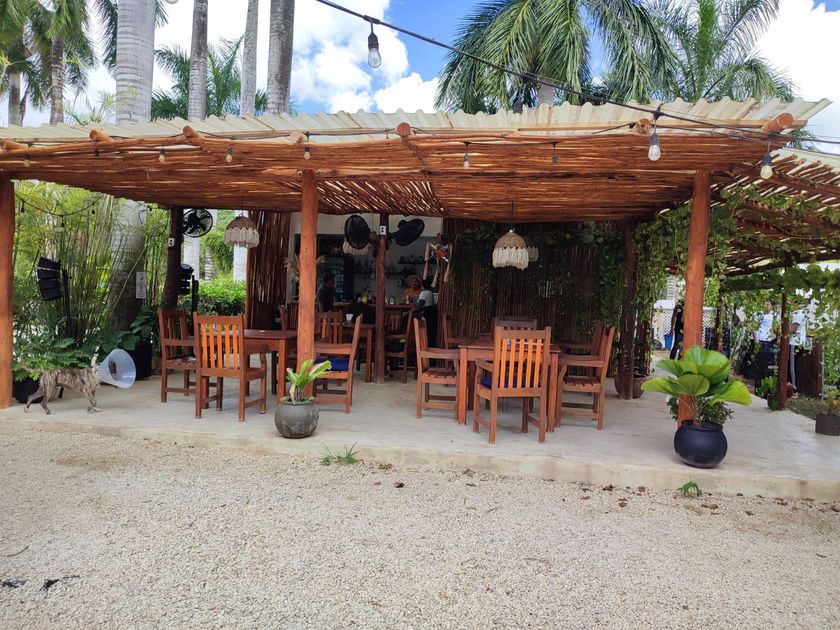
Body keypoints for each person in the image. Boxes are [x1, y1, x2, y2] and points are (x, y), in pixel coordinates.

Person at [753, 299, 777, 386]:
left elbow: (776, 328)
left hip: (770, 342)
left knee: (769, 365)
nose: (766, 305)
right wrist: (756, 340)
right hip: (760, 341)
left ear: (772, 306)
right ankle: (758, 385)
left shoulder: (775, 315)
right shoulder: (758, 314)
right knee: (759, 365)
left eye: (768, 304)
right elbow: (754, 328)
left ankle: (767, 386)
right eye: (765, 303)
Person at [788, 309, 806, 393]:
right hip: (794, 343)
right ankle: (789, 387)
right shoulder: (792, 313)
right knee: (791, 365)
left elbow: (793, 329)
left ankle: (793, 389)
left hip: (795, 343)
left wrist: (782, 334)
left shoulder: (798, 313)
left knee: (792, 366)